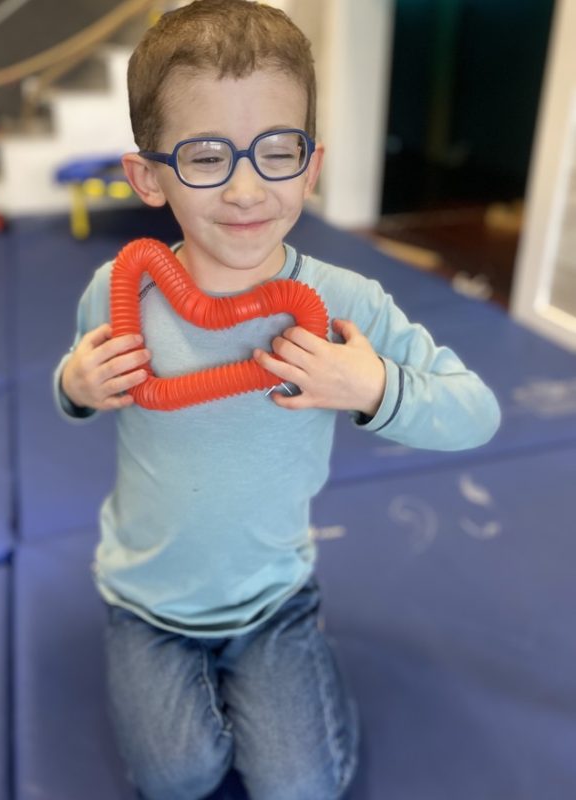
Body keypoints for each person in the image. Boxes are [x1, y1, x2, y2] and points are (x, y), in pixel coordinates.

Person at [54, 2, 501, 798]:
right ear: (147, 176)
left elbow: (477, 412)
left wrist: (370, 387)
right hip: (146, 599)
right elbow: (83, 384)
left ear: (313, 163)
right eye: (205, 155)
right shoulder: (119, 290)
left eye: (277, 151)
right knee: (177, 778)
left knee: (301, 787)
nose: (247, 188)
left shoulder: (342, 301)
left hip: (272, 597)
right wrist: (75, 387)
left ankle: (292, 666)